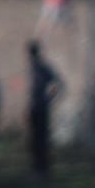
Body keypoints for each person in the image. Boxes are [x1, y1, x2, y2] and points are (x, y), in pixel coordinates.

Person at [26, 41, 62, 179]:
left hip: (41, 109)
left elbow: (57, 82)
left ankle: (43, 170)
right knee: (35, 140)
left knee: (41, 140)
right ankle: (37, 169)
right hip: (35, 108)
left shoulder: (42, 68)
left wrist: (49, 99)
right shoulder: (34, 68)